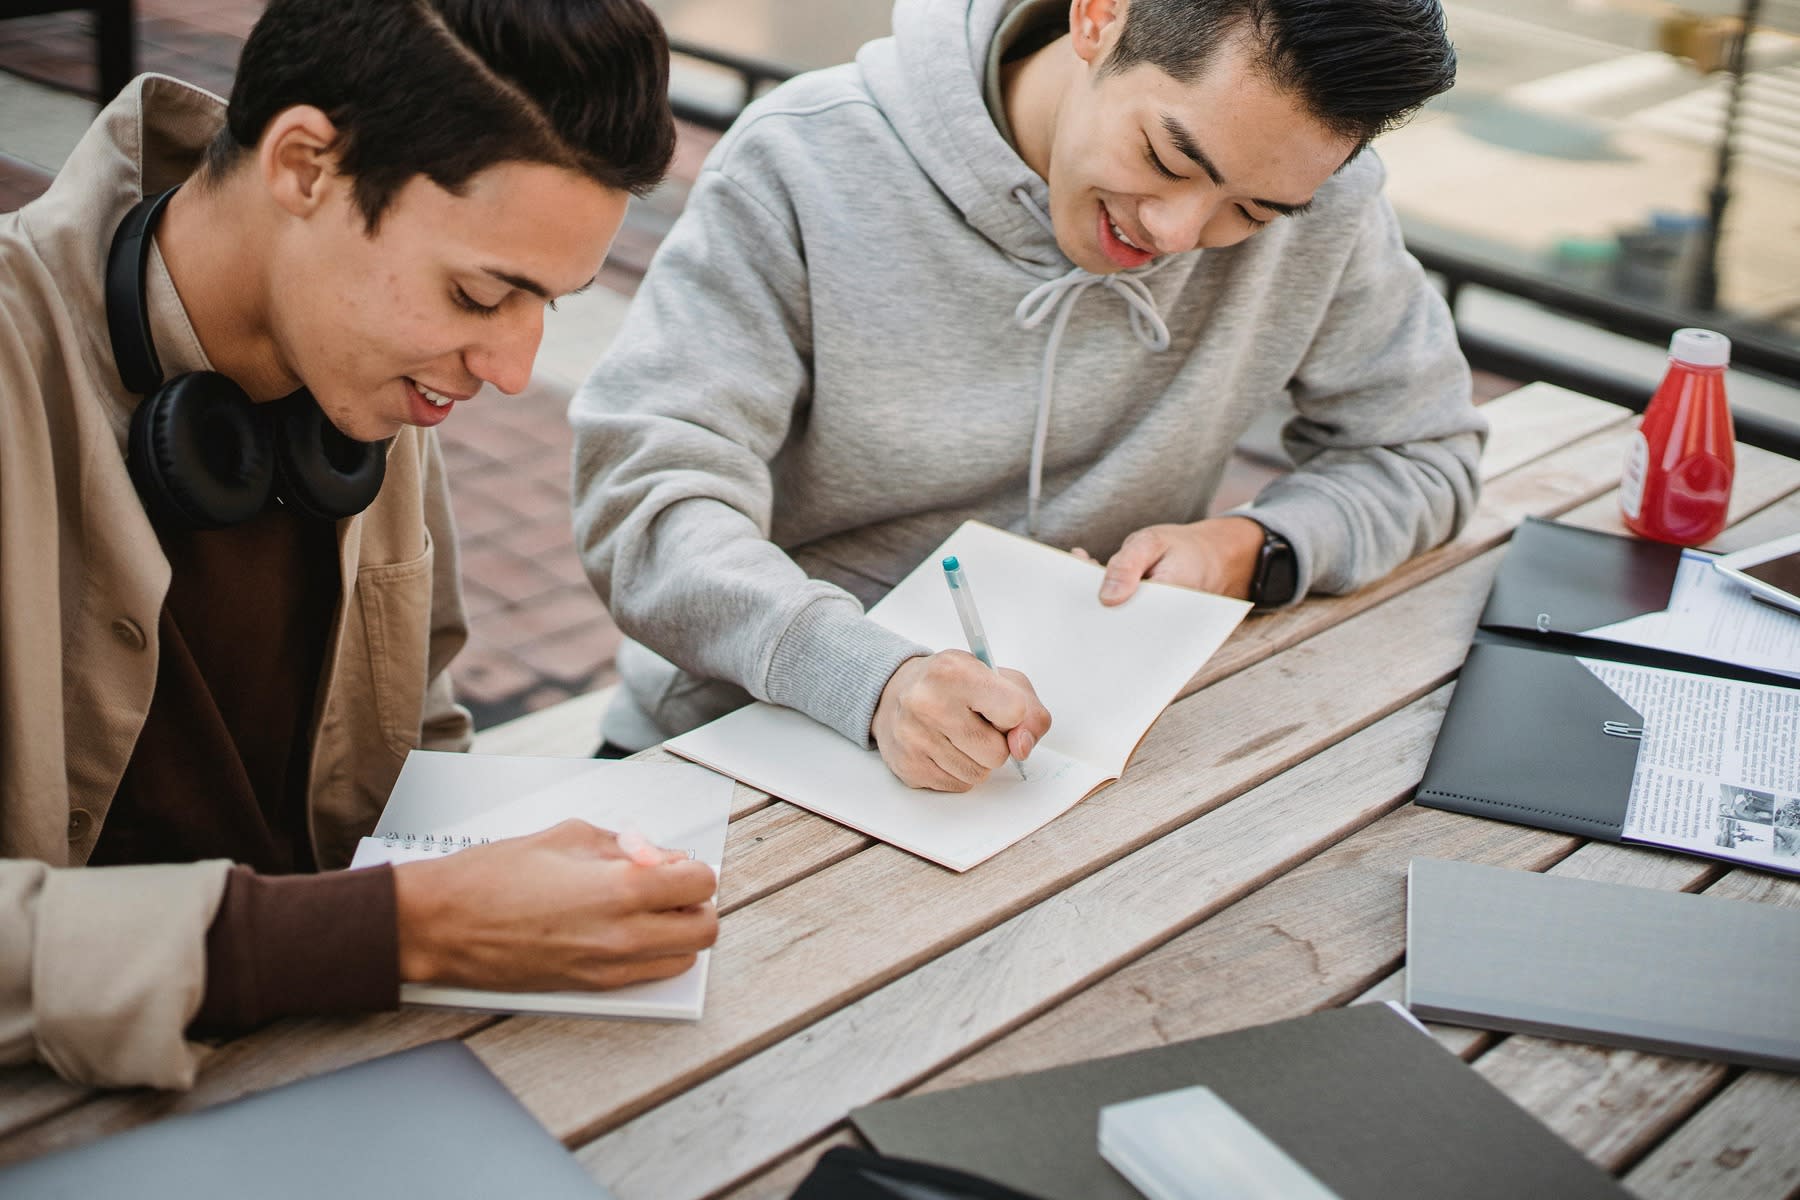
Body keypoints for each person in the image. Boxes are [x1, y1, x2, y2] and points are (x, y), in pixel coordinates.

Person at [0, 0, 718, 1091]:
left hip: (340, 1065)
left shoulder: (362, 376)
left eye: (549, 309)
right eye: (482, 292)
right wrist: (394, 931)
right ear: (305, 165)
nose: (514, 369)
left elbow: (415, 741)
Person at [571, 0, 1487, 790]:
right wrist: (868, 678)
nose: (1177, 231)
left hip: (1070, 759)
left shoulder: (1324, 203)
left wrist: (1249, 552)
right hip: (745, 742)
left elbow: (1421, 450)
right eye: (1168, 159)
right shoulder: (803, 161)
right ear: (1098, 16)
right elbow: (651, 499)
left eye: (1250, 212)